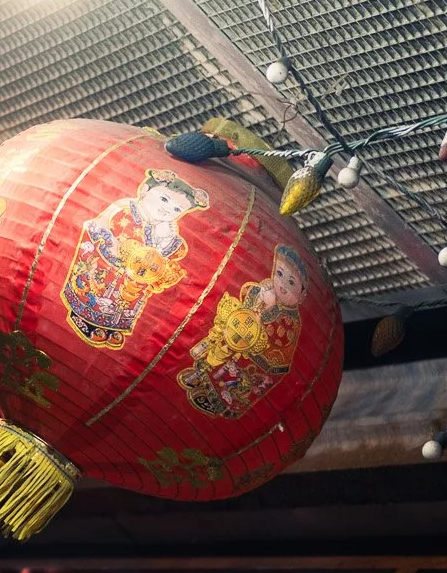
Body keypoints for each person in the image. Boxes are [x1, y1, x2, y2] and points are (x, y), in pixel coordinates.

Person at [62, 170, 210, 349]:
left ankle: (112, 327)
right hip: (108, 260)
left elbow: (164, 254)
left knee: (123, 302)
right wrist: (111, 242)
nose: (167, 209)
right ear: (145, 190)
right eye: (164, 199)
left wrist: (164, 243)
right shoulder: (125, 207)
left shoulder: (167, 231)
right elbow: (98, 223)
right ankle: (85, 320)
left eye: (177, 209)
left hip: (135, 273)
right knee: (99, 291)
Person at [178, 246, 309, 419]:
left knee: (231, 383)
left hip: (260, 361)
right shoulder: (269, 295)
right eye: (279, 274)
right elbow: (246, 301)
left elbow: (273, 338)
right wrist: (258, 293)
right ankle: (200, 376)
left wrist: (261, 313)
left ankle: (217, 401)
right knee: (219, 351)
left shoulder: (290, 321)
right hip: (239, 343)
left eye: (291, 283)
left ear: (301, 295)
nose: (282, 286)